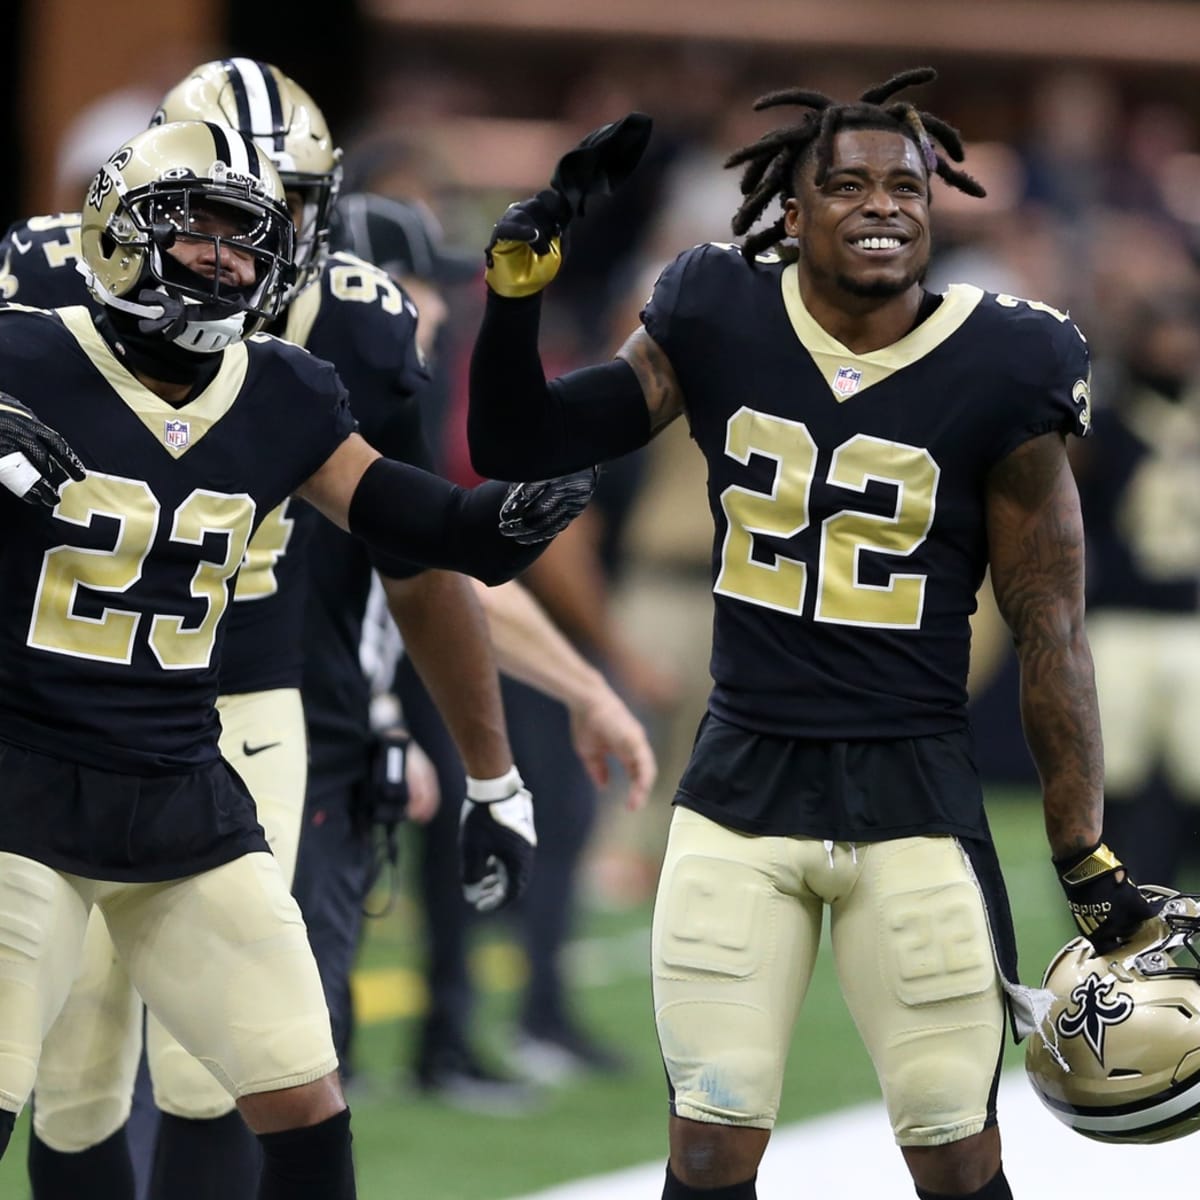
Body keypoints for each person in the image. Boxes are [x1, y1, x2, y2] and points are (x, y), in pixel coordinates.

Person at [467, 69, 1161, 1200]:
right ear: (791, 213)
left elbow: (1051, 630)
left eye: (908, 184)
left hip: (917, 799)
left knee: (953, 1147)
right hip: (743, 787)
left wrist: (1086, 860)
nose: (883, 202)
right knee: (708, 1143)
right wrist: (512, 301)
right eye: (846, 184)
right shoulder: (715, 309)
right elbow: (518, 439)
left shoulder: (1011, 359)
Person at [0, 118, 586, 1199]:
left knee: (303, 1098)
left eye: (242, 237)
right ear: (121, 234)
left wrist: (495, 522)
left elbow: (398, 512)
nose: (222, 256)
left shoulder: (282, 387)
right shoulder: (24, 350)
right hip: (19, 791)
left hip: (182, 792)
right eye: (196, 229)